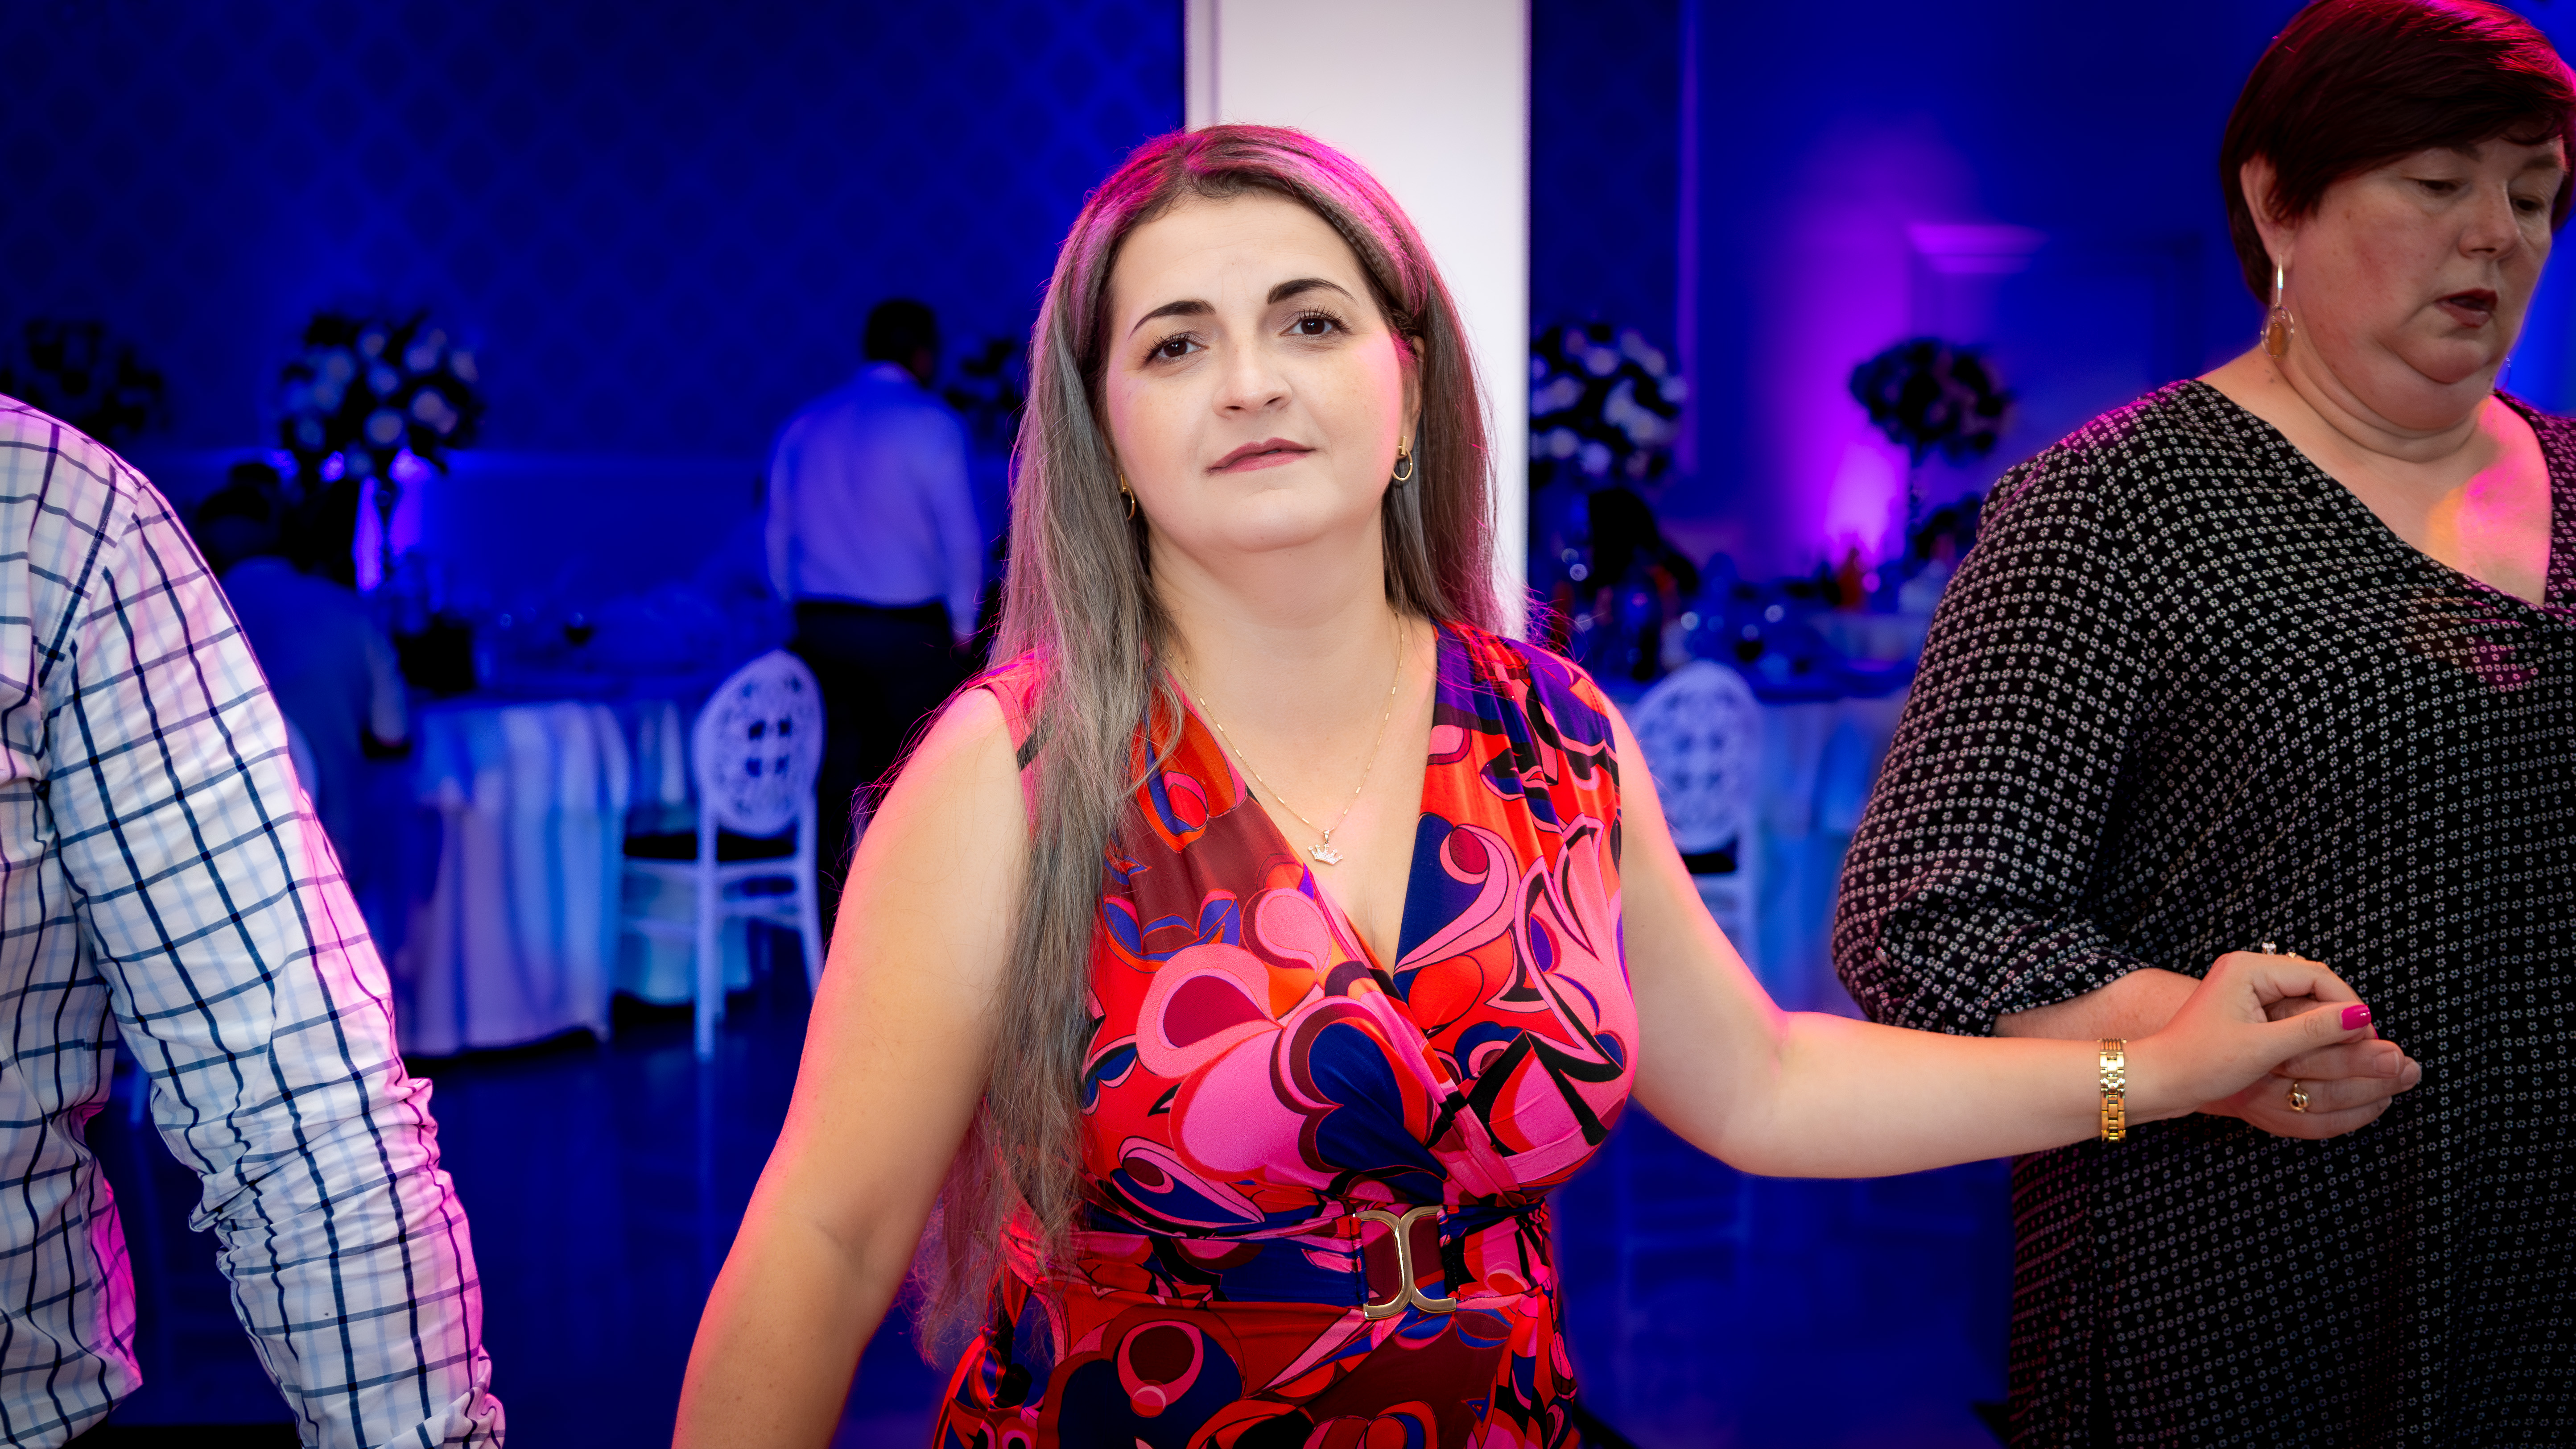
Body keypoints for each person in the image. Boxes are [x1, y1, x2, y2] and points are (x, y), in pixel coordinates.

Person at [673, 126, 2390, 1448]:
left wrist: (2155, 1073)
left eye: (1309, 320)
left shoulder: (1551, 732)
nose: (1251, 378)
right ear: (1105, 433)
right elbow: (827, 1236)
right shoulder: (1014, 771)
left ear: (1406, 380)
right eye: (1176, 344)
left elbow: (1762, 1080)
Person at [1833, 2, 2573, 1442]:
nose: (2496, 233)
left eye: (2533, 196)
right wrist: (2195, 1049)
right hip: (2244, 1272)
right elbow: (1923, 921)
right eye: (2437, 183)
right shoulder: (2114, 505)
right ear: (2276, 199)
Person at [0, 401, 502, 1444]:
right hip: (314, 876)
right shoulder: (331, 612)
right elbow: (394, 745)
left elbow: (300, 1114)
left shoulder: (61, 517)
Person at [765, 299, 984, 922]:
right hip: (908, 639)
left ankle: (831, 937)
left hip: (822, 633)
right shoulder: (933, 424)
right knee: (912, 794)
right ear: (924, 353)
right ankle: (906, 932)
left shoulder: (806, 425)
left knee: (831, 798)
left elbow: (776, 535)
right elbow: (961, 540)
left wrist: (792, 615)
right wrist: (965, 627)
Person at [192, 468, 410, 860]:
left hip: (218, 859)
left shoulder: (185, 622)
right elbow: (393, 736)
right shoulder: (350, 612)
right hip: (337, 852)